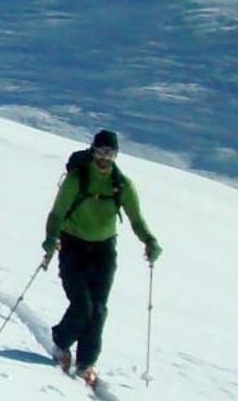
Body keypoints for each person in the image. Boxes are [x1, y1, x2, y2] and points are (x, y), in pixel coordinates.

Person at [42, 130, 161, 385]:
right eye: (101, 152)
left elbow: (136, 219)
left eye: (110, 153)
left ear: (116, 155)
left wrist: (149, 240)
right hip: (72, 246)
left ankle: (86, 361)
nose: (105, 158)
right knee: (82, 305)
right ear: (93, 151)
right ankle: (61, 342)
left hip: (104, 250)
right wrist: (52, 238)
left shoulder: (122, 185)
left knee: (98, 309)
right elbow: (57, 213)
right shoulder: (77, 178)